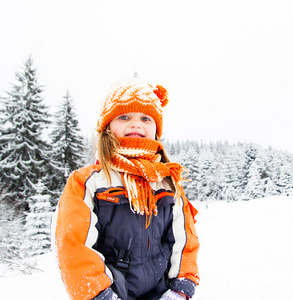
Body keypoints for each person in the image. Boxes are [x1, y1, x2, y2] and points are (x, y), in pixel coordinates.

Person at [51, 78, 200, 300]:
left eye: (145, 118)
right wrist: (100, 294)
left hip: (160, 294)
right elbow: (73, 244)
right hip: (110, 292)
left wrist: (179, 289)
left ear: (156, 129)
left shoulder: (167, 183)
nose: (135, 123)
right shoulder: (87, 182)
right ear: (107, 126)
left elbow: (184, 239)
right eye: (124, 116)